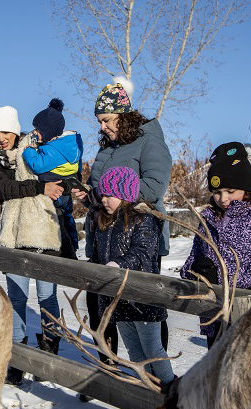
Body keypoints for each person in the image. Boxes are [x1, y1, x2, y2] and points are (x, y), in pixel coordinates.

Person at [71, 78, 173, 383]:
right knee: (108, 310)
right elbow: (103, 192)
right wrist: (88, 195)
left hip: (138, 238)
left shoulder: (148, 141)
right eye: (100, 122)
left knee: (146, 312)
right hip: (105, 239)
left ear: (123, 115)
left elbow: (154, 186)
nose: (102, 127)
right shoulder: (106, 150)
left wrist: (118, 193)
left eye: (106, 120)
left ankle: (160, 383)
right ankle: (117, 376)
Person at [0, 106, 69, 386]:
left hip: (44, 232)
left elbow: (57, 174)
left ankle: (48, 355)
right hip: (14, 237)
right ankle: (16, 359)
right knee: (16, 300)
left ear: (15, 130)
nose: (1, 137)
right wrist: (40, 188)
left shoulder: (36, 148)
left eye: (5, 131)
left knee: (47, 297)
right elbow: (6, 190)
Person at [89, 166, 173, 409]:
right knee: (135, 353)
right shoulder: (103, 221)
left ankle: (173, 395)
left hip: (142, 297)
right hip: (118, 299)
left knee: (153, 351)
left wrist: (118, 265)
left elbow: (143, 252)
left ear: (125, 194)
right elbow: (99, 255)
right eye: (102, 195)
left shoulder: (143, 219)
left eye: (109, 195)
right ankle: (146, 401)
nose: (104, 200)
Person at [180, 142, 251, 348]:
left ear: (245, 186)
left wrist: (219, 278)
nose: (223, 199)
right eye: (217, 192)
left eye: (230, 190)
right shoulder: (209, 218)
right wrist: (195, 271)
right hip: (215, 315)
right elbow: (192, 258)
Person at [22, 98, 83, 255]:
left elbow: (37, 166)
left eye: (38, 129)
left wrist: (28, 151)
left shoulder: (54, 150)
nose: (35, 132)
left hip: (54, 190)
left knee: (58, 223)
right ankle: (73, 246)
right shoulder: (69, 146)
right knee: (67, 219)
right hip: (66, 190)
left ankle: (68, 252)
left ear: (49, 132)